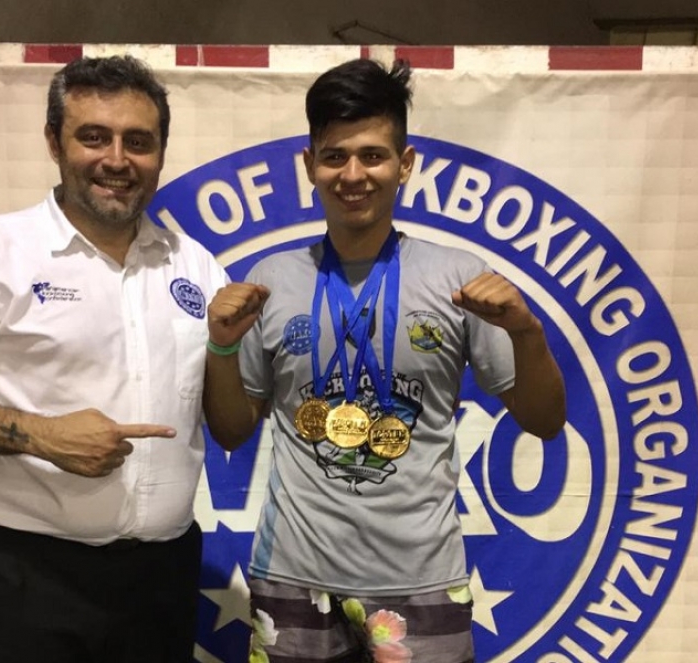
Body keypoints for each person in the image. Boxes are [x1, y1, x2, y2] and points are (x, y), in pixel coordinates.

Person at [203, 58, 566, 663]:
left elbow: (546, 421)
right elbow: (231, 430)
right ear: (309, 165)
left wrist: (527, 333)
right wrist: (221, 346)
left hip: (423, 579)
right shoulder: (270, 280)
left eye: (372, 155)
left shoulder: (458, 278)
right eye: (335, 156)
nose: (353, 174)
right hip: (292, 577)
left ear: (405, 163)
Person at [0, 55, 228, 663]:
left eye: (138, 141)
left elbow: (222, 411)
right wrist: (44, 436)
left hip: (159, 580)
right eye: (94, 136)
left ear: (161, 152)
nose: (116, 159)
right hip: (15, 577)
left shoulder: (194, 265)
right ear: (53, 142)